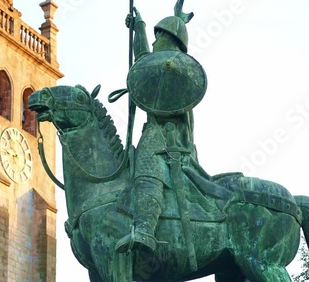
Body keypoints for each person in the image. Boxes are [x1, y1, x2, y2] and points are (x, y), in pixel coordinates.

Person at [115, 1, 214, 254]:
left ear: (168, 39)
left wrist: (142, 28)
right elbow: (144, 61)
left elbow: (146, 61)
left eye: (158, 37)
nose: (155, 42)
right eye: (154, 37)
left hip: (169, 139)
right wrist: (139, 26)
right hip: (160, 134)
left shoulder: (176, 70)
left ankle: (145, 231)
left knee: (147, 162)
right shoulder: (161, 67)